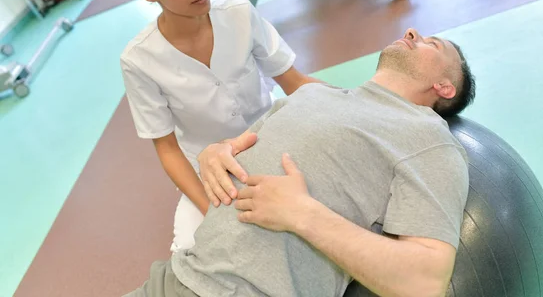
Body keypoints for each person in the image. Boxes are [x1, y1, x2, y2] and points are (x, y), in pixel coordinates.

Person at [125, 28, 476, 297]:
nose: (413, 33)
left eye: (433, 44)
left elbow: (426, 281)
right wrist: (215, 152)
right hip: (176, 276)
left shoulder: (427, 139)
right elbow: (238, 151)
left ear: (444, 86)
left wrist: (301, 214)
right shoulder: (313, 93)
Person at [112, 0, 320, 253]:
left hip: (273, 140)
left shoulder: (238, 14)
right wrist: (211, 210)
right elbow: (167, 149)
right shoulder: (139, 60)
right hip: (210, 173)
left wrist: (357, 103)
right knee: (193, 251)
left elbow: (294, 82)